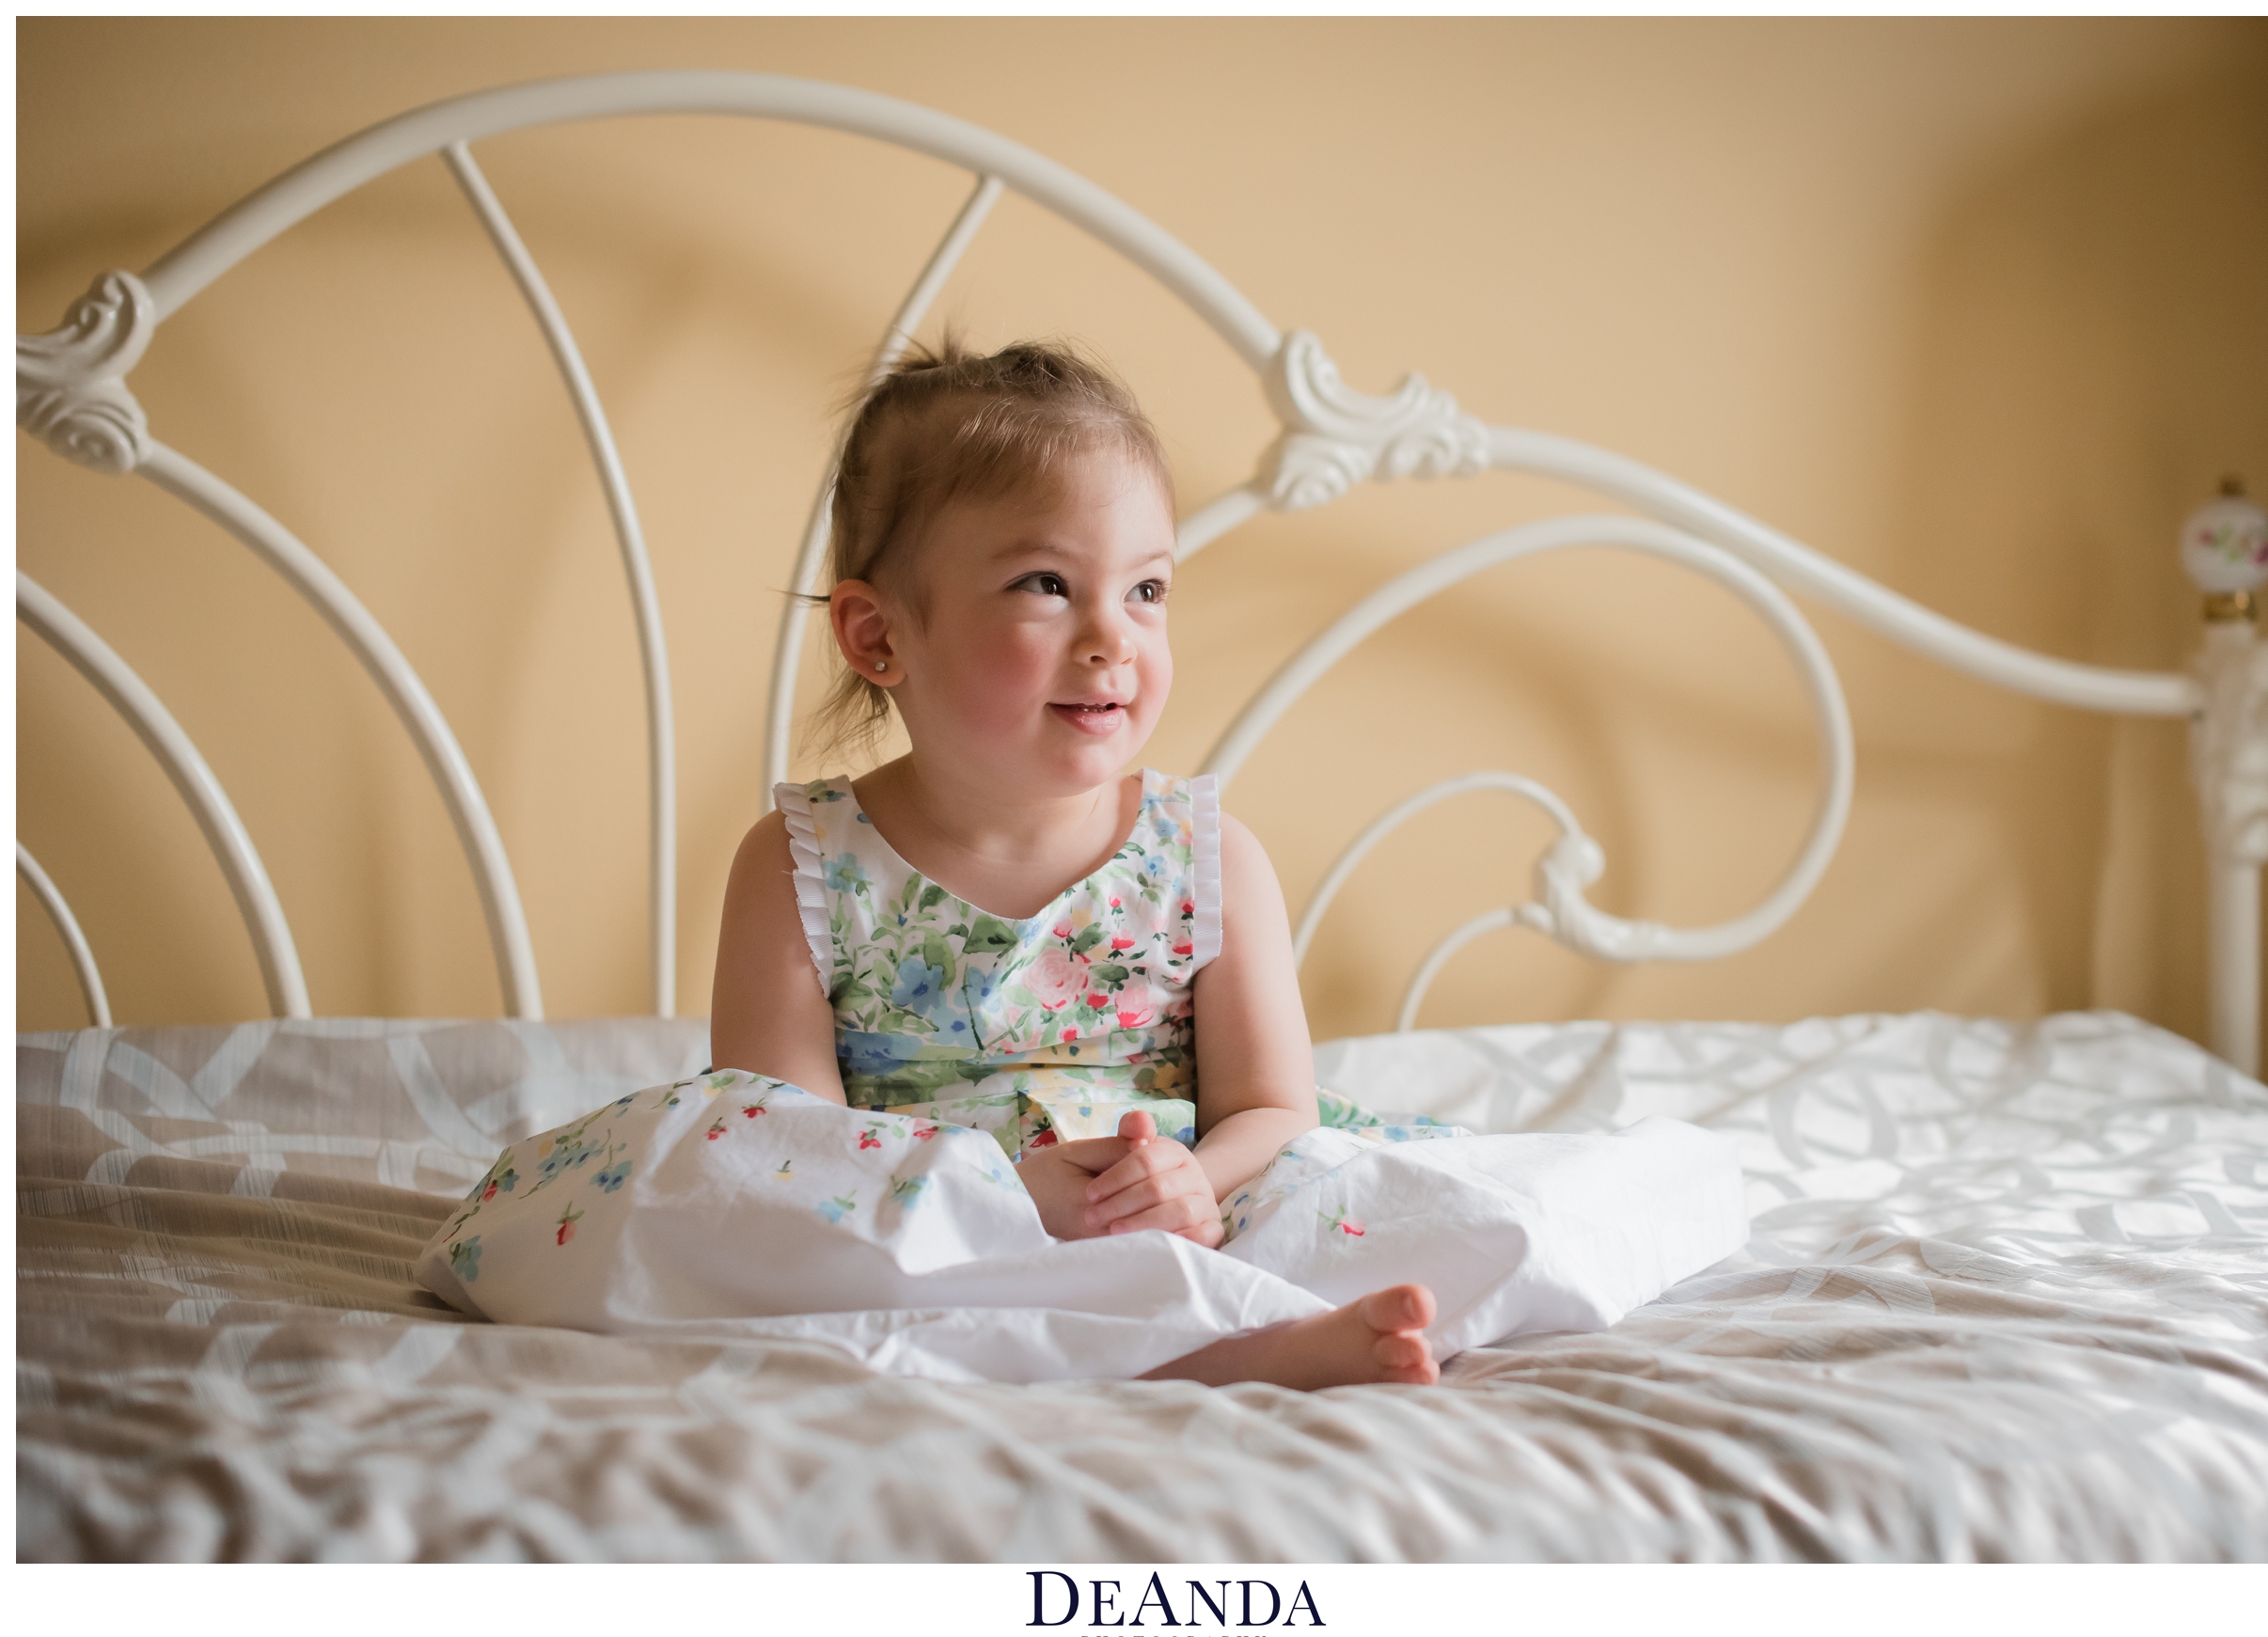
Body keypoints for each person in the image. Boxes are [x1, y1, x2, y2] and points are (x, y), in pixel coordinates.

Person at [415, 339, 1747, 1389]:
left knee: (1430, 1200)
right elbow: (783, 1144)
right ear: (879, 641)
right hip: (926, 1219)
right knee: (691, 1190)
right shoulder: (801, 861)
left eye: (1149, 589)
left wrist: (1190, 1184)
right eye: (1047, 586)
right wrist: (993, 1193)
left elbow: (1274, 1109)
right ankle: (1238, 1352)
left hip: (1178, 1196)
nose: (1114, 638)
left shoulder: (1206, 853)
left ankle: (1220, 1312)